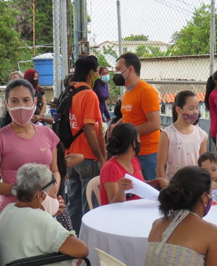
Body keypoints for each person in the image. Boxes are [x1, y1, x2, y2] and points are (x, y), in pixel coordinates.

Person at [0, 79, 60, 237]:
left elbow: (55, 170)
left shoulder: (48, 134)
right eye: (14, 101)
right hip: (13, 214)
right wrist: (21, 191)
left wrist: (51, 194)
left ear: (35, 101)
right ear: (6, 104)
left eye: (26, 100)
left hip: (46, 213)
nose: (21, 106)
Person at [65, 56, 107, 232]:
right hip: (87, 157)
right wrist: (101, 157)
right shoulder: (89, 94)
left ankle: (73, 236)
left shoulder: (69, 92)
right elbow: (89, 129)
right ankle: (88, 241)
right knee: (89, 204)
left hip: (70, 157)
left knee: (73, 204)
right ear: (92, 72)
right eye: (97, 71)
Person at [113, 52, 161, 180]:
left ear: (130, 69)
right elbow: (130, 116)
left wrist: (125, 132)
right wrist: (117, 126)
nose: (116, 73)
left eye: (118, 69)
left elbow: (154, 124)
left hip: (147, 153)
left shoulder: (146, 91)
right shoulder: (128, 92)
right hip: (131, 151)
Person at [100, 123, 167, 205]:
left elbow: (138, 185)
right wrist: (121, 190)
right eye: (139, 139)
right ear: (134, 143)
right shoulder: (110, 168)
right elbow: (113, 204)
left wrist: (157, 182)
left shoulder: (134, 161)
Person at [157, 90, 207, 180]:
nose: (195, 112)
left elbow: (203, 165)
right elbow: (160, 166)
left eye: (197, 108)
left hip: (194, 184)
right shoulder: (167, 134)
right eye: (191, 109)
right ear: (178, 110)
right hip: (173, 185)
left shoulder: (201, 135)